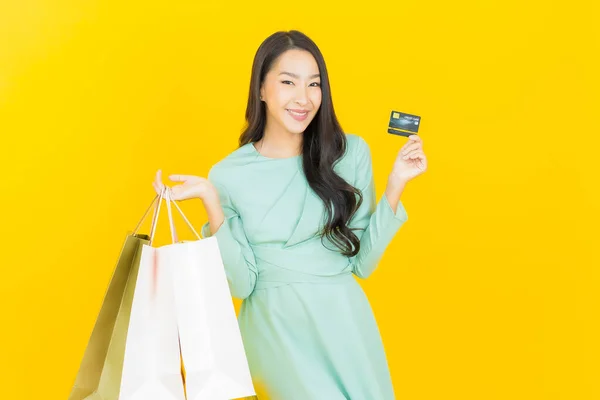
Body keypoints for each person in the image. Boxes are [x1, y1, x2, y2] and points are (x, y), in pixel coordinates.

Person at [152, 30, 427, 400]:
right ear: (261, 89)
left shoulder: (350, 154)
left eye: (314, 84)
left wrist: (397, 183)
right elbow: (242, 286)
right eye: (288, 82)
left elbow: (362, 263)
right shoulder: (228, 174)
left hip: (345, 329)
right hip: (272, 331)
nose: (303, 98)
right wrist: (210, 200)